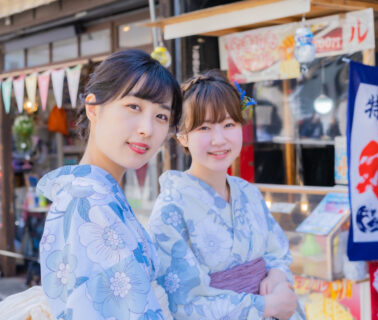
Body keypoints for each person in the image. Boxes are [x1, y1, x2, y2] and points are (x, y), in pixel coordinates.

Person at [37, 49, 182, 320]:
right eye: (134, 107)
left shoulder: (100, 195)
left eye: (161, 116)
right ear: (93, 108)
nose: (147, 129)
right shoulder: (86, 200)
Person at [148, 71, 302, 320]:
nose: (219, 139)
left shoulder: (248, 193)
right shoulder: (171, 208)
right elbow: (183, 302)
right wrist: (265, 307)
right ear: (182, 135)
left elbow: (277, 253)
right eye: (205, 127)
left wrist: (277, 274)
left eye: (229, 124)